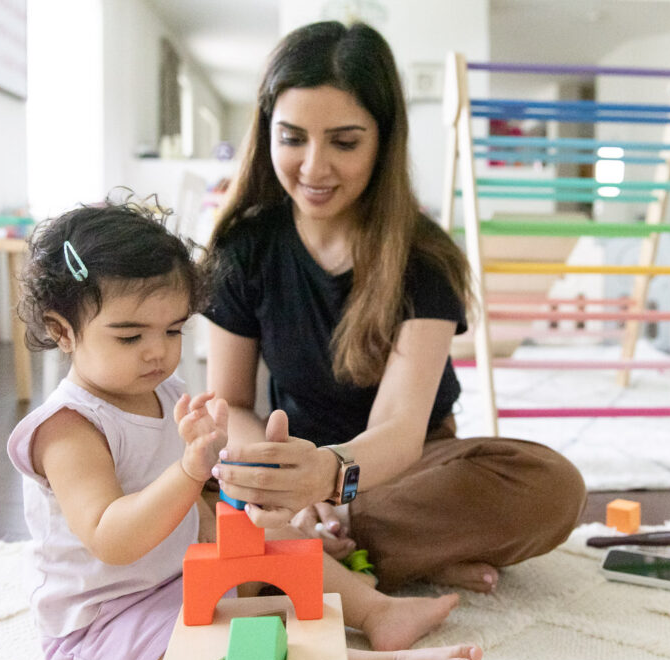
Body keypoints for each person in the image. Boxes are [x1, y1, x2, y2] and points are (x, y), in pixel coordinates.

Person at [7, 198, 483, 660]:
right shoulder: (68, 429)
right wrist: (190, 471)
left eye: (172, 329)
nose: (157, 351)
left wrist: (248, 500)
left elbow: (205, 494)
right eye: (130, 337)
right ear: (61, 331)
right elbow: (112, 538)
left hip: (182, 575)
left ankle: (378, 612)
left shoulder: (165, 392)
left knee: (277, 538)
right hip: (109, 620)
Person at [204, 20, 587, 595]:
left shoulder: (423, 257)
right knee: (174, 488)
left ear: (383, 141)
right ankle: (398, 556)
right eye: (292, 138)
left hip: (409, 464)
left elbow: (400, 430)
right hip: (295, 460)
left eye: (344, 141)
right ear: (267, 133)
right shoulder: (244, 248)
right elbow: (230, 402)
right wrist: (276, 480)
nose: (313, 168)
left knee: (553, 486)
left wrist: (328, 488)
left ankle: (322, 551)